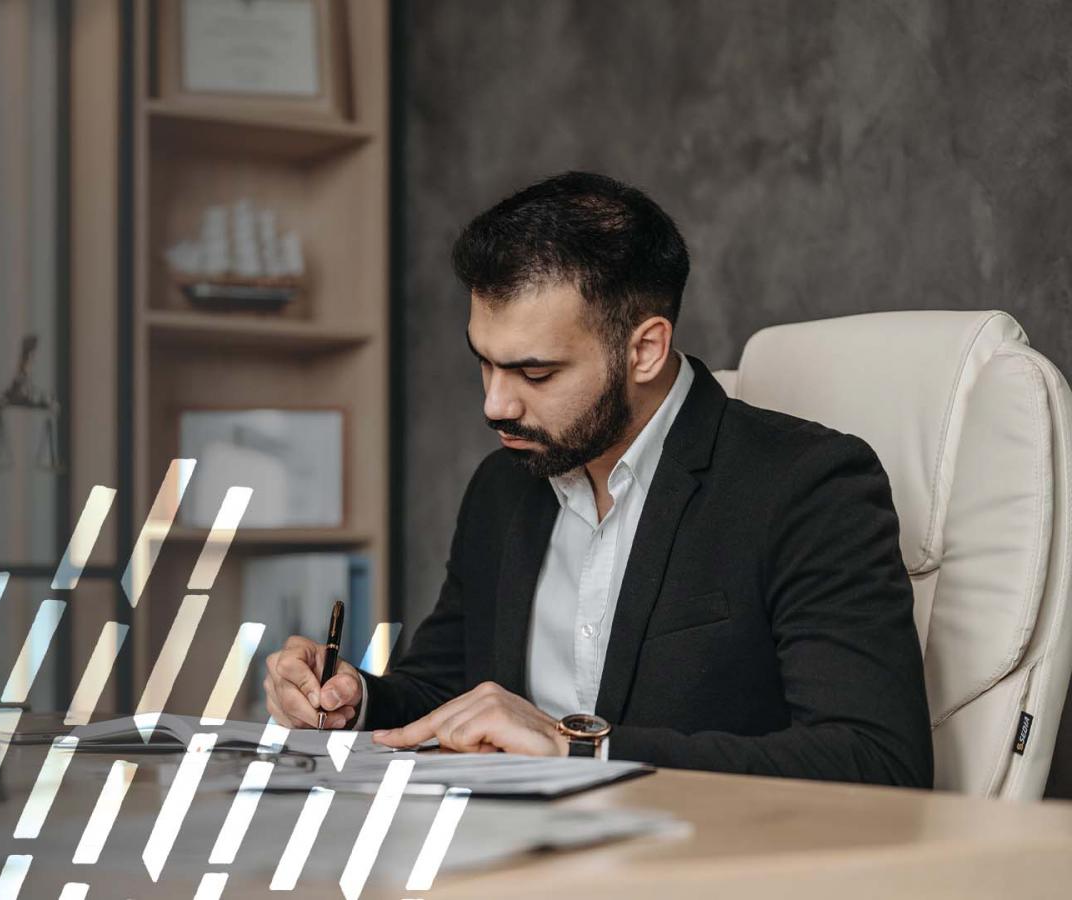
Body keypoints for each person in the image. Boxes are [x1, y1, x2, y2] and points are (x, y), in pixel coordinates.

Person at [263, 172, 933, 787]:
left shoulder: (807, 485)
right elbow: (446, 687)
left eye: (535, 373)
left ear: (645, 349)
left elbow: (876, 762)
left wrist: (579, 751)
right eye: (485, 364)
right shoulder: (504, 486)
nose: (495, 404)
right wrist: (353, 701)